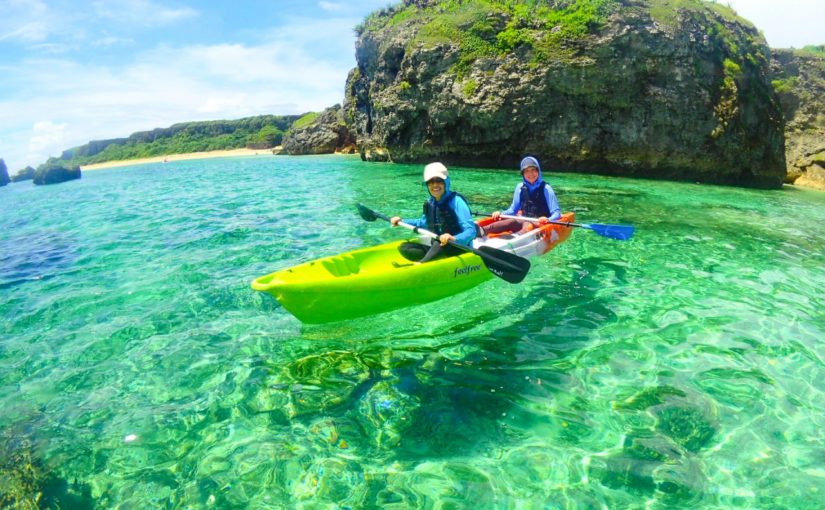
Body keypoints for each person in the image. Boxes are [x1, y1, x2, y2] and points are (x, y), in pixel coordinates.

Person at [390, 162, 477, 263]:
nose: (435, 185)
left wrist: (454, 238)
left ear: (446, 182)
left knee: (438, 243)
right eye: (431, 182)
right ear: (427, 185)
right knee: (404, 248)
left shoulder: (457, 202)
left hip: (457, 247)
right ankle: (432, 257)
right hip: (437, 244)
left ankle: (421, 264)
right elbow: (422, 223)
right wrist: (402, 221)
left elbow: (471, 231)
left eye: (439, 181)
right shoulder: (429, 202)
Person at [481, 156, 561, 236]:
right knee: (511, 221)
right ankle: (482, 230)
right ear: (523, 174)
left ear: (538, 171)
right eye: (526, 171)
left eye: (533, 170)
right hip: (524, 219)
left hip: (539, 223)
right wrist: (501, 213)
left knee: (528, 225)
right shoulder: (520, 187)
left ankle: (514, 238)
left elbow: (556, 213)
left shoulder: (546, 188)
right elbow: (513, 210)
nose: (530, 174)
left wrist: (548, 219)